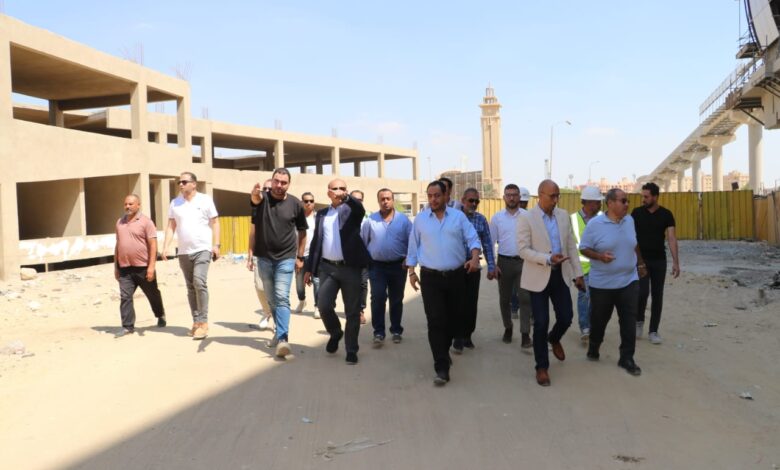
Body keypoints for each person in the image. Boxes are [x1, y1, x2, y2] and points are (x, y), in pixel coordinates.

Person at [407, 181, 481, 386]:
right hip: (430, 278)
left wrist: (475, 257)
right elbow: (413, 247)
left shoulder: (458, 217)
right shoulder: (420, 220)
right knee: (435, 320)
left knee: (454, 320)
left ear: (445, 196)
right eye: (430, 196)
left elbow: (473, 238)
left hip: (456, 276)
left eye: (437, 195)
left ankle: (443, 348)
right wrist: (411, 272)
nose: (433, 199)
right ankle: (441, 366)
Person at [517, 179, 584, 387]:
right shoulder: (527, 218)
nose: (556, 200)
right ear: (540, 195)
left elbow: (570, 247)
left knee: (566, 317)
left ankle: (554, 338)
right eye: (552, 196)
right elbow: (523, 250)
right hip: (538, 276)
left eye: (557, 196)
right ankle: (542, 367)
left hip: (560, 275)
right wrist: (547, 259)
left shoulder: (563, 216)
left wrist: (578, 274)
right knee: (541, 322)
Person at [579, 188, 646, 376]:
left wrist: (640, 263)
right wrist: (600, 256)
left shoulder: (629, 220)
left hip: (629, 280)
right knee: (599, 320)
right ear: (610, 203)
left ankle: (627, 358)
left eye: (627, 201)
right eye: (623, 201)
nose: (627, 204)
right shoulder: (595, 224)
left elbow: (634, 243)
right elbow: (583, 248)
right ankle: (594, 346)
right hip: (602, 284)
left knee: (629, 320)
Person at [305, 179, 370, 364]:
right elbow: (316, 241)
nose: (339, 191)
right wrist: (310, 268)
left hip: (350, 268)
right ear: (328, 192)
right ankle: (335, 332)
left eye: (343, 188)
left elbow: (359, 208)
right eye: (335, 188)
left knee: (352, 311)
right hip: (327, 268)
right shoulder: (321, 214)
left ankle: (351, 349)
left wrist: (348, 198)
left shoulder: (352, 211)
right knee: (323, 305)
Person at [249, 169, 308, 358]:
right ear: (272, 181)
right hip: (264, 258)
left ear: (289, 184)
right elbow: (255, 200)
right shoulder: (262, 199)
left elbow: (302, 231)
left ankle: (283, 338)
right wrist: (254, 194)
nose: (279, 185)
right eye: (276, 181)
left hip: (286, 258)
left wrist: (300, 257)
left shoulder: (295, 204)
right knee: (271, 299)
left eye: (284, 182)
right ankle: (278, 330)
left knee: (281, 297)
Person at [162, 172, 220, 340]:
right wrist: (165, 246)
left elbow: (215, 222)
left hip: (203, 248)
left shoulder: (205, 200)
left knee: (199, 282)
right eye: (179, 182)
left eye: (184, 182)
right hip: (184, 252)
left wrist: (216, 245)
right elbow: (171, 226)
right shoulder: (175, 203)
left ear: (194, 184)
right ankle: (196, 322)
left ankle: (203, 322)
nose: (181, 184)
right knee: (190, 287)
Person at [360, 188, 412, 346]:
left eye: (388, 198)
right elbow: (363, 242)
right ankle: (378, 332)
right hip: (377, 267)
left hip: (398, 266)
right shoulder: (371, 220)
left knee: (396, 299)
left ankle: (396, 330)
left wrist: (409, 259)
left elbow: (413, 242)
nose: (385, 201)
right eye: (382, 199)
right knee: (377, 298)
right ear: (378, 201)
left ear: (393, 200)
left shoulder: (404, 221)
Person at [632, 182, 680, 345]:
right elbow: (631, 237)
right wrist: (636, 260)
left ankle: (653, 331)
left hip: (659, 260)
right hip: (641, 260)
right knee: (642, 292)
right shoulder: (636, 213)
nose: (643, 199)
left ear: (655, 197)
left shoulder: (666, 214)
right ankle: (639, 321)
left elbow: (671, 238)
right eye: (642, 196)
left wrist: (676, 262)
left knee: (657, 295)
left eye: (646, 197)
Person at [114, 194, 166, 336]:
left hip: (143, 267)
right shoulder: (119, 222)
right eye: (125, 204)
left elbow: (153, 245)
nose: (127, 206)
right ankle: (127, 326)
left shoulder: (146, 222)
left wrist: (151, 267)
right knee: (125, 297)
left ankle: (160, 314)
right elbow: (118, 244)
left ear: (138, 205)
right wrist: (116, 266)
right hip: (124, 268)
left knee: (152, 294)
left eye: (131, 204)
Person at [489, 184, 532, 347]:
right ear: (504, 197)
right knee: (504, 299)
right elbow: (490, 242)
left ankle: (525, 334)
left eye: (515, 195)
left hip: (523, 262)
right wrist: (492, 265)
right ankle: (508, 327)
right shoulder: (497, 218)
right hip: (504, 263)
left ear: (519, 197)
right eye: (508, 195)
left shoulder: (528, 216)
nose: (512, 198)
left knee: (525, 298)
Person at [454, 187, 495, 353]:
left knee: (471, 303)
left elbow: (487, 244)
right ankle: (457, 336)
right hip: (456, 267)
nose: (474, 204)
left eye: (476, 201)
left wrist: (491, 266)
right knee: (456, 302)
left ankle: (467, 335)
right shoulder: (453, 218)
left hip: (473, 267)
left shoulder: (481, 219)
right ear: (463, 200)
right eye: (471, 200)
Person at [570, 186, 603, 341]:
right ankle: (585, 327)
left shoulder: (603, 217)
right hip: (581, 267)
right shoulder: (572, 219)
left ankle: (592, 325)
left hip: (600, 266)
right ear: (589, 202)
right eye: (598, 202)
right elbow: (568, 244)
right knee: (584, 297)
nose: (600, 205)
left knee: (597, 299)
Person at [248, 179, 274, 330]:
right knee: (260, 287)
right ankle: (267, 312)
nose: (267, 191)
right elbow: (252, 234)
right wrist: (250, 254)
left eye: (270, 189)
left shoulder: (283, 206)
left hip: (280, 256)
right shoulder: (256, 209)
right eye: (265, 189)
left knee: (277, 290)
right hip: (260, 254)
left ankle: (278, 320)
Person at [294, 192, 320, 318]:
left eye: (311, 201)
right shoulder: (296, 218)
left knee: (317, 281)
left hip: (315, 255)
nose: (309, 203)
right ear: (301, 202)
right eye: (306, 201)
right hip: (299, 255)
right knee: (299, 283)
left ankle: (317, 307)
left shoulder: (318, 218)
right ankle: (302, 300)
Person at [509, 186, 532, 319]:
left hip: (528, 256)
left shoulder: (531, 216)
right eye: (521, 202)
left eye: (525, 202)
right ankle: (514, 307)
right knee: (514, 286)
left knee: (529, 285)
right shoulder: (512, 217)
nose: (523, 205)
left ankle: (530, 312)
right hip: (515, 256)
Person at [350, 189, 369, 325]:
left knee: (363, 283)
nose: (357, 201)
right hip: (347, 258)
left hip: (363, 257)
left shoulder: (368, 217)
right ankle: (352, 308)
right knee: (350, 284)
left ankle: (360, 310)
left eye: (359, 199)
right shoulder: (342, 215)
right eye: (354, 199)